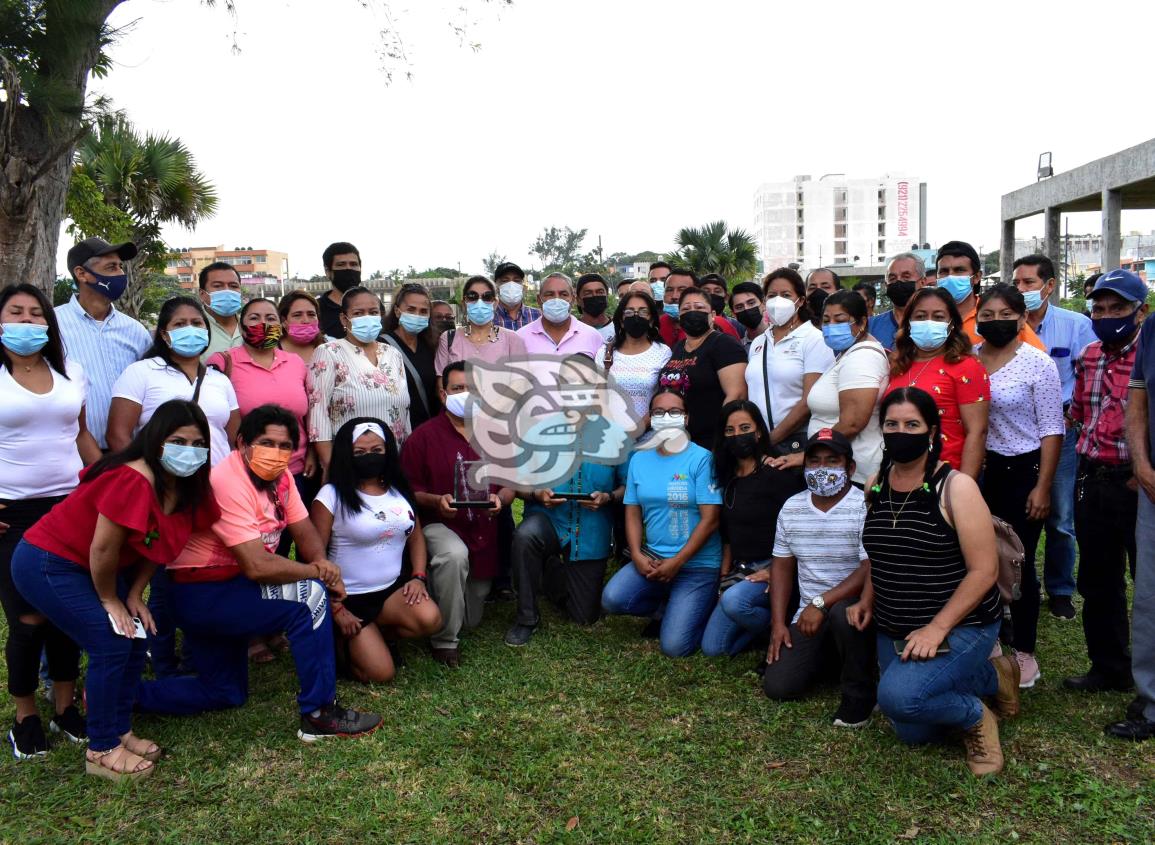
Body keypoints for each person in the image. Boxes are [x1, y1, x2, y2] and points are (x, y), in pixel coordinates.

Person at [135, 405, 382, 742]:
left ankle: (123, 695)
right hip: (203, 592)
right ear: (242, 443)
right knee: (309, 597)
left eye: (285, 446)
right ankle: (319, 713)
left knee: (224, 692)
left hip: (226, 589)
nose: (276, 453)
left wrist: (324, 565)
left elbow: (304, 530)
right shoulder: (227, 479)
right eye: (267, 442)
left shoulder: (280, 479)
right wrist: (317, 574)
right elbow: (257, 565)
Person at [12, 401, 219, 778]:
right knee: (111, 639)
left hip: (100, 568)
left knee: (136, 636)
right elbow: (102, 548)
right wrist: (110, 599)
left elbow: (162, 547)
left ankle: (120, 729)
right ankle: (102, 748)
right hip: (50, 561)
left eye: (197, 443)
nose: (188, 452)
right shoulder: (132, 478)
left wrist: (134, 594)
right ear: (156, 441)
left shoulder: (190, 490)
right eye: (177, 441)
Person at [855, 387, 1019, 776]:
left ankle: (977, 716)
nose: (901, 432)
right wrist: (866, 598)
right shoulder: (876, 484)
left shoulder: (957, 487)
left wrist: (936, 628)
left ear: (932, 432)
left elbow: (984, 572)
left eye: (912, 424)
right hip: (895, 623)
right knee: (912, 731)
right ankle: (993, 675)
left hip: (961, 622)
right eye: (892, 424)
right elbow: (881, 554)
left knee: (899, 698)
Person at [0, 284, 102, 759]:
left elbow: (80, 435)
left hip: (69, 506)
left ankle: (65, 708)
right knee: (27, 618)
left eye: (36, 314)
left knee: (67, 613)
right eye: (15, 313)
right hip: (11, 512)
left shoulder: (70, 372)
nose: (26, 322)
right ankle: (25, 716)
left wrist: (107, 483)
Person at [974, 284, 1064, 688]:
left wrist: (1043, 487)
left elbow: (1051, 429)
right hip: (980, 472)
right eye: (987, 315)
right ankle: (988, 643)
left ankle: (1024, 651)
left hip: (1023, 472)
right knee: (979, 560)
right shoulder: (970, 360)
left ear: (1021, 317)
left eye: (1004, 314)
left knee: (1018, 563)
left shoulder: (1037, 363)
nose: (995, 322)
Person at [1065, 269, 1148, 695]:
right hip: (1093, 477)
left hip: (1139, 484)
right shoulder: (1090, 354)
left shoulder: (1149, 357)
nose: (1107, 315)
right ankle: (1109, 666)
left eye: (1118, 308)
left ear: (1141, 312)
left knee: (1147, 582)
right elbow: (1080, 411)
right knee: (1097, 578)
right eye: (1099, 308)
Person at [399, 363, 513, 667]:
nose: (466, 395)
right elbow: (408, 492)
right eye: (458, 389)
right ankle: (445, 641)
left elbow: (510, 483)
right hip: (439, 524)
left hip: (483, 529)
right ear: (442, 393)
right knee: (453, 555)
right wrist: (436, 501)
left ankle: (445, 602)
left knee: (471, 619)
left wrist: (500, 499)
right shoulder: (422, 438)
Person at [310, 419, 441, 682]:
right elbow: (313, 557)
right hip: (349, 599)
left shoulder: (398, 490)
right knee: (381, 674)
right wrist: (335, 608)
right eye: (360, 453)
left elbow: (415, 537)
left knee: (430, 619)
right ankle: (341, 643)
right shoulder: (330, 495)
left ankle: (377, 635)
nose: (370, 457)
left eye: (377, 451)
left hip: (390, 591)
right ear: (347, 455)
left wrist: (418, 576)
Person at [762, 429, 874, 727]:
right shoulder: (792, 507)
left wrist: (822, 602)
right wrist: (777, 624)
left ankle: (859, 694)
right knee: (779, 686)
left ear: (850, 467)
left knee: (842, 613)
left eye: (832, 461)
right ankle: (835, 660)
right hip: (809, 614)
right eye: (814, 462)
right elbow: (782, 566)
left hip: (852, 607)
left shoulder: (864, 504)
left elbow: (869, 567)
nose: (822, 469)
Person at [601, 389, 722, 657]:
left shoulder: (702, 459)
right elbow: (632, 511)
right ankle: (669, 604)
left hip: (697, 565)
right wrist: (636, 554)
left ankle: (695, 606)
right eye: (658, 412)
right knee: (612, 600)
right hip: (654, 560)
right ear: (651, 418)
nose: (666, 417)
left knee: (675, 647)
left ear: (686, 418)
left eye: (675, 412)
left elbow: (711, 520)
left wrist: (677, 562)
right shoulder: (640, 459)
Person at [1013, 254, 1096, 620]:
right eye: (1017, 283)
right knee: (1012, 512)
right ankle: (1011, 586)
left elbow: (1091, 373)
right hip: (1014, 433)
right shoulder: (1005, 324)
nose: (1021, 290)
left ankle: (1060, 589)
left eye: (1028, 283)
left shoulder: (1076, 325)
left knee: (1060, 516)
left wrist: (1072, 413)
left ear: (1049, 286)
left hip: (1060, 432)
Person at [701, 401, 805, 657]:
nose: (738, 435)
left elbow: (799, 529)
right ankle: (761, 630)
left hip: (774, 567)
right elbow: (727, 533)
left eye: (745, 427)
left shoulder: (776, 473)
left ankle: (777, 625)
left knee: (735, 603)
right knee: (714, 648)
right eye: (730, 430)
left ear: (758, 431)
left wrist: (775, 571)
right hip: (741, 568)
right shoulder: (726, 475)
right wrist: (724, 575)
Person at [504, 456, 628, 647]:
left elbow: (627, 486)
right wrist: (538, 494)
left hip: (590, 529)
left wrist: (608, 497)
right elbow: (517, 484)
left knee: (584, 617)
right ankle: (526, 618)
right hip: (548, 519)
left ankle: (548, 573)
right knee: (526, 536)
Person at [108, 296, 240, 467]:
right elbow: (117, 435)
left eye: (197, 323)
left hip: (215, 483)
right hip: (159, 484)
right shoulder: (141, 372)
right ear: (164, 334)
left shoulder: (220, 380)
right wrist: (144, 477)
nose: (190, 329)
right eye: (179, 324)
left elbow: (233, 439)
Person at [207, 298, 315, 497]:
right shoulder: (223, 361)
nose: (263, 324)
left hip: (297, 472)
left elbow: (308, 416)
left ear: (281, 325)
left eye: (271, 318)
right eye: (254, 318)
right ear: (242, 326)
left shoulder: (295, 362)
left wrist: (313, 453)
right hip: (248, 473)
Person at [55, 237, 152, 450]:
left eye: (120, 267)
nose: (120, 274)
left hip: (130, 453)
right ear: (81, 274)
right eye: (111, 267)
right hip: (72, 455)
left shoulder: (135, 331)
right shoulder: (53, 326)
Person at [884, 287, 988, 478]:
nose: (928, 323)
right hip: (898, 474)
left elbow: (977, 432)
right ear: (908, 323)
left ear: (951, 324)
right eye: (921, 316)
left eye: (938, 317)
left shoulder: (967, 366)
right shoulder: (898, 364)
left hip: (946, 475)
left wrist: (964, 486)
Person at [789, 290, 889, 483]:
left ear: (861, 322)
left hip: (853, 473)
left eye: (840, 320)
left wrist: (809, 455)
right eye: (826, 320)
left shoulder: (863, 357)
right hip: (835, 468)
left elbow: (852, 423)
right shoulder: (847, 354)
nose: (831, 326)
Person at [308, 286, 411, 473]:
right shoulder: (328, 353)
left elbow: (405, 414)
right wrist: (332, 468)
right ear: (343, 319)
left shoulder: (392, 353)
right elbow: (318, 417)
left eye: (373, 312)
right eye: (358, 313)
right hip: (350, 464)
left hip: (393, 463)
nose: (367, 317)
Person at [1119, 298, 1155, 740]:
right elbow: (1138, 398)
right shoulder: (1153, 330)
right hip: (1152, 483)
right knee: (1149, 594)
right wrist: (1142, 465)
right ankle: (1150, 699)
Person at [749, 268, 833, 457]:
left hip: (794, 444)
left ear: (801, 300)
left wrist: (771, 439)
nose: (778, 301)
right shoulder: (758, 342)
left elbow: (809, 401)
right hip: (759, 445)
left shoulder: (814, 339)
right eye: (772, 295)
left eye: (786, 295)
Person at [659, 287, 747, 448]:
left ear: (712, 315)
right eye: (686, 308)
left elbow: (737, 394)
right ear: (679, 316)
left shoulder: (724, 344)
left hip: (711, 442)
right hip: (678, 441)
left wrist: (719, 442)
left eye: (699, 308)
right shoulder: (678, 348)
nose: (692, 312)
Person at [931, 241, 1044, 351]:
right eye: (944, 271)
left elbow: (1037, 359)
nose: (951, 277)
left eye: (959, 270)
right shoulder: (927, 316)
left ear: (976, 277)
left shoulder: (999, 314)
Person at [597, 290, 671, 430]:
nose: (636, 316)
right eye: (629, 312)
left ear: (651, 320)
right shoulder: (605, 353)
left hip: (648, 437)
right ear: (621, 320)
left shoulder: (663, 352)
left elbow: (665, 399)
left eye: (643, 312)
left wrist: (636, 430)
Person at [434, 276, 527, 375]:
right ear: (464, 303)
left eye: (487, 297)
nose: (479, 302)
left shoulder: (512, 339)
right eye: (472, 296)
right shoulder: (448, 339)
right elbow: (441, 384)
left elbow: (522, 382)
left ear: (495, 303)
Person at [381, 282, 442, 431]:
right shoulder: (382, 345)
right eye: (411, 309)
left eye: (423, 311)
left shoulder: (431, 345)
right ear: (397, 311)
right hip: (398, 429)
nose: (417, 315)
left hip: (429, 429)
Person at [518, 272, 605, 360]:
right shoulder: (520, 337)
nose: (557, 299)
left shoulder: (593, 336)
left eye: (563, 294)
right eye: (550, 294)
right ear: (539, 300)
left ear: (573, 299)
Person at [657, 268, 740, 346]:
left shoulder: (717, 323)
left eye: (682, 290)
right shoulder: (658, 324)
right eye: (669, 290)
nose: (674, 296)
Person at [870, 253, 925, 351]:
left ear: (922, 282)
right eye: (892, 278)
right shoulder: (871, 326)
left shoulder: (933, 325)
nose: (898, 281)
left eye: (906, 277)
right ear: (886, 285)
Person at [196, 261, 244, 361]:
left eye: (233, 286)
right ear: (202, 294)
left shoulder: (251, 326)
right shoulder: (192, 329)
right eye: (218, 286)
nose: (227, 291)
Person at [318, 242, 362, 339]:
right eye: (341, 265)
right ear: (328, 271)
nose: (348, 269)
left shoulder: (374, 305)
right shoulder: (316, 310)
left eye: (353, 264)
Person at [277, 290, 325, 366]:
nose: (306, 320)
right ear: (283, 321)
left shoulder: (329, 346)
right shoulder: (271, 351)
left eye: (311, 314)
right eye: (297, 315)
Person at [493, 262, 541, 331]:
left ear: (523, 286)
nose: (511, 285)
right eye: (505, 281)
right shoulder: (488, 318)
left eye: (516, 280)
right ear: (496, 286)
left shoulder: (538, 316)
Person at [575, 272, 616, 342]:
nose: (594, 296)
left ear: (607, 296)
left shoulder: (619, 328)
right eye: (588, 293)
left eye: (600, 292)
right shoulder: (571, 330)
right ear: (578, 300)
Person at [729, 282, 767, 349]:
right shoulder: (738, 349)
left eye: (751, 303)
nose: (746, 308)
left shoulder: (782, 337)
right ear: (734, 314)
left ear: (763, 304)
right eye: (739, 307)